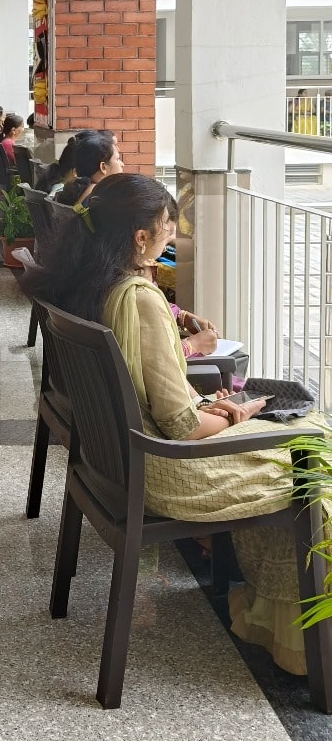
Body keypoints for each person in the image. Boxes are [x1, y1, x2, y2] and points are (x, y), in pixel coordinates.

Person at [23, 172, 324, 676]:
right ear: (140, 237)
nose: (172, 236)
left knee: (293, 435)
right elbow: (182, 428)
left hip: (110, 466)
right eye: (168, 226)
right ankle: (296, 638)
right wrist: (236, 411)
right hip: (168, 472)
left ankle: (272, 618)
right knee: (313, 450)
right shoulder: (139, 298)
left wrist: (218, 407)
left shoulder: (90, 283)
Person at [58, 130, 123, 206]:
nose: (122, 164)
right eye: (117, 159)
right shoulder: (100, 198)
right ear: (103, 167)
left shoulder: (77, 190)